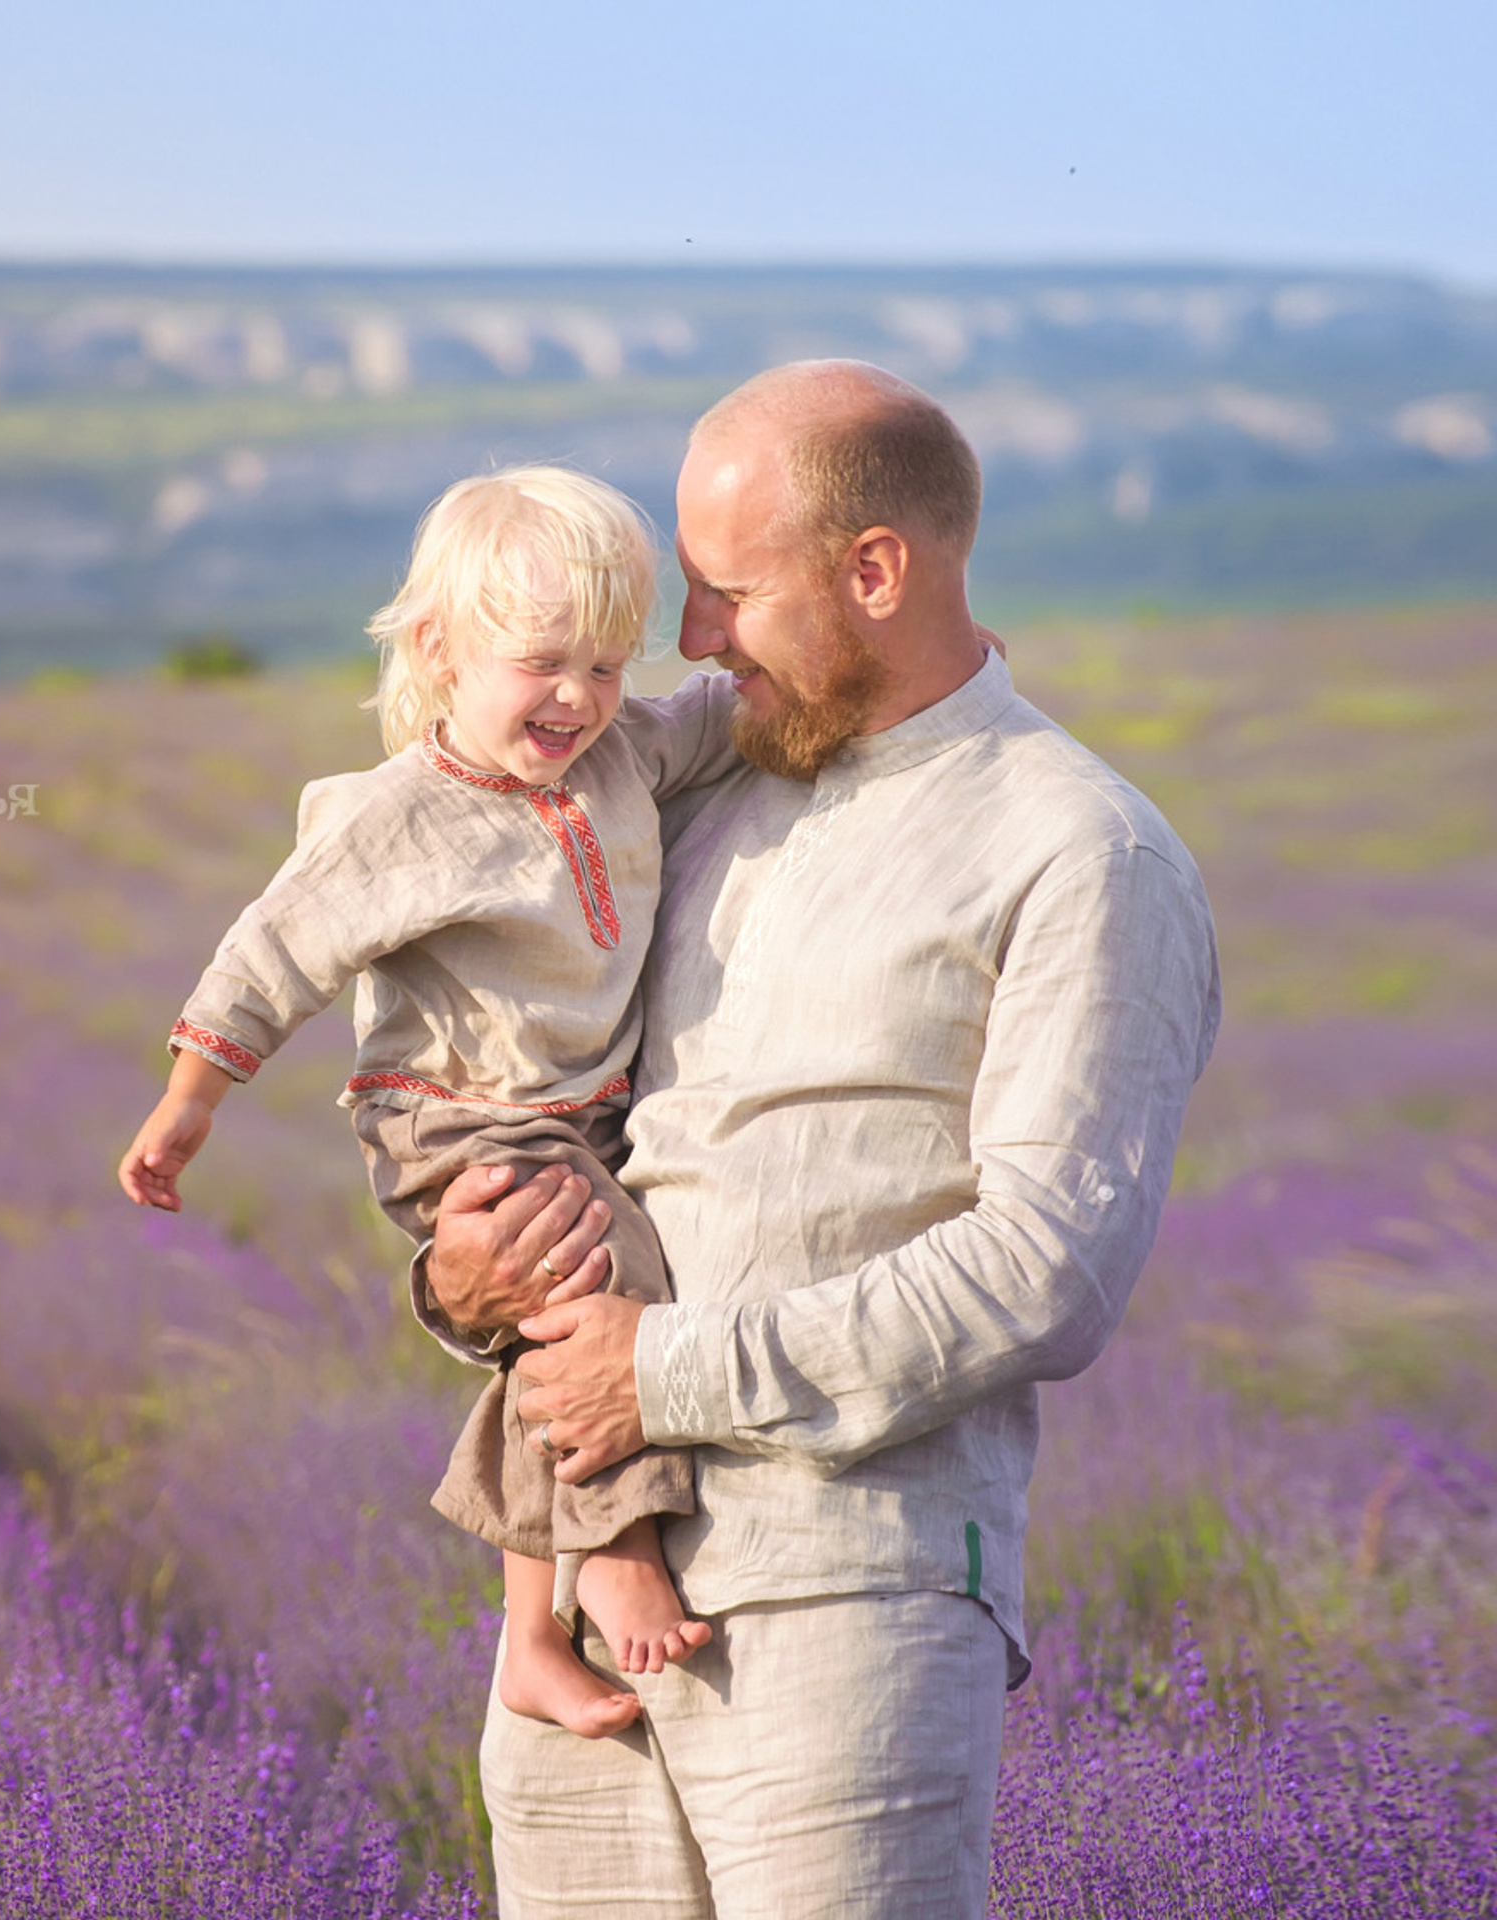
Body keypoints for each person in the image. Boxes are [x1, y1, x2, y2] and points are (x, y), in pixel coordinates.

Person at [418, 362, 1223, 1918]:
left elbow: (1047, 1269)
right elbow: (549, 1125)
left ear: (876, 571)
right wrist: (465, 1282)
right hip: (588, 1592)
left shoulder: (1081, 849)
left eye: (726, 594)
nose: (692, 639)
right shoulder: (698, 801)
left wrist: (657, 1372)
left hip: (848, 1596)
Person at [118, 466, 744, 1740]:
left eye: (607, 666)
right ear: (438, 651)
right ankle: (617, 1544)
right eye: (542, 663)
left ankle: (524, 1639)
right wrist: (192, 1101)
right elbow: (270, 951)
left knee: (538, 1329)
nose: (579, 697)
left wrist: (895, 681)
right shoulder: (399, 816)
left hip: (576, 1105)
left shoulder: (619, 753)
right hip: (453, 1113)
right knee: (599, 1272)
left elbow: (719, 717)